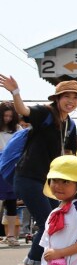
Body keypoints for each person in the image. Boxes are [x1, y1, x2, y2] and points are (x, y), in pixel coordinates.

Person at [0, 77, 77, 265]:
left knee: (56, 222)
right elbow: (24, 112)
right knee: (48, 222)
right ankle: (32, 263)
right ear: (57, 98)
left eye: (75, 98)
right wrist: (15, 92)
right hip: (27, 177)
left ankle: (31, 264)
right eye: (66, 97)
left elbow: (71, 154)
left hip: (49, 182)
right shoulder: (46, 113)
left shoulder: (69, 125)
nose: (71, 101)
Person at [0, 101, 21, 246]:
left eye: (10, 116)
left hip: (12, 165)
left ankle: (11, 235)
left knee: (11, 201)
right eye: (5, 116)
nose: (7, 118)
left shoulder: (18, 129)